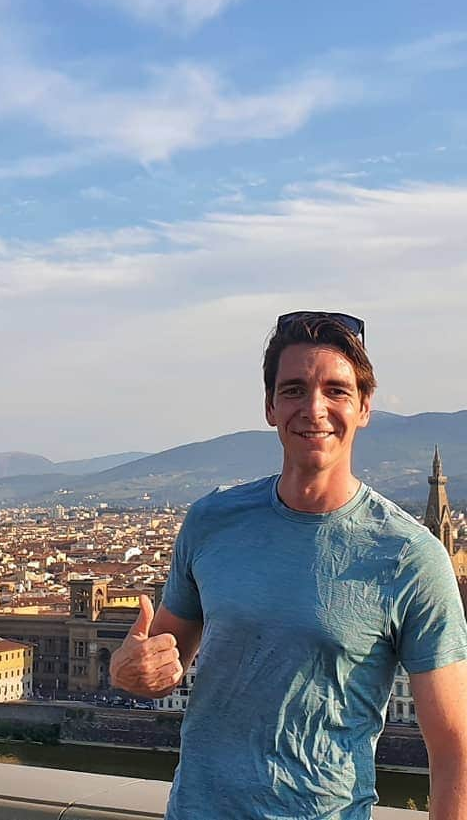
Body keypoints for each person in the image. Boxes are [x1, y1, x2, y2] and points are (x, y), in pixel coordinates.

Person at [109, 311, 467, 818]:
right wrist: (129, 670)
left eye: (337, 391)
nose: (314, 408)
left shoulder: (409, 555)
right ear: (270, 407)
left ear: (365, 407)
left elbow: (456, 748)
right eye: (294, 390)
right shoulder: (212, 521)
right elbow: (163, 657)